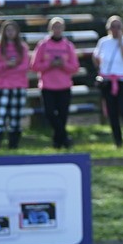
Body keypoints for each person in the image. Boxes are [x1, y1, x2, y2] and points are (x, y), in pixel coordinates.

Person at [30, 16, 81, 148]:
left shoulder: (68, 46)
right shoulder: (43, 45)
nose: (57, 30)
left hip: (64, 86)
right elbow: (34, 66)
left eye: (59, 27)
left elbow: (75, 67)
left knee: (63, 115)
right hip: (47, 86)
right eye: (54, 27)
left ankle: (58, 142)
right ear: (50, 28)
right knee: (50, 114)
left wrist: (63, 64)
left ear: (63, 29)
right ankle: (65, 138)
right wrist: (49, 64)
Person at [92, 15, 123, 148]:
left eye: (118, 26)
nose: (115, 29)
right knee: (112, 113)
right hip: (107, 82)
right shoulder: (103, 42)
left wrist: (120, 42)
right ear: (108, 28)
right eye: (113, 26)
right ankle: (118, 142)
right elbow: (96, 58)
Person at [0, 19, 30, 150]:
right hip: (3, 85)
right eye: (7, 30)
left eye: (12, 30)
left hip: (19, 85)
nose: (10, 33)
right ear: (3, 32)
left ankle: (13, 145)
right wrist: (6, 65)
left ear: (17, 32)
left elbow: (25, 66)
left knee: (16, 116)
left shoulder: (22, 48)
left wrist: (11, 68)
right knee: (0, 115)